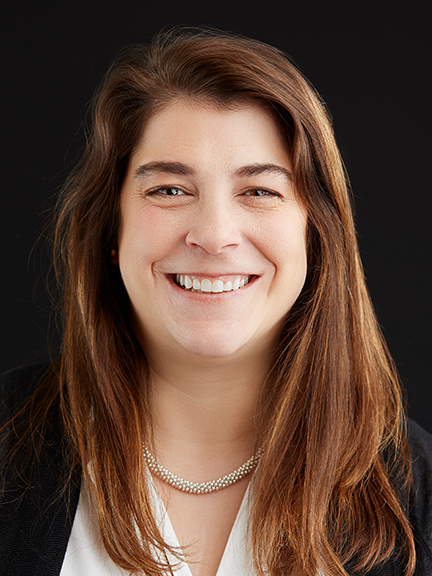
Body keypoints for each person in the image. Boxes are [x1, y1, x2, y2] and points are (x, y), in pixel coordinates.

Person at [1, 27, 432, 576]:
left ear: (315, 234)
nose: (214, 234)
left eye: (259, 191)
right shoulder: (7, 440)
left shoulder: (419, 499)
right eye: (170, 190)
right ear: (112, 228)